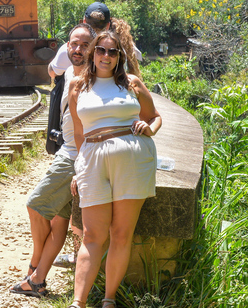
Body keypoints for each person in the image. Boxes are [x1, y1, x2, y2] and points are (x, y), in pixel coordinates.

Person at [66, 31, 162, 308]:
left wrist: (149, 129)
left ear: (120, 57)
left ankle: (108, 300)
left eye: (113, 52)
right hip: (93, 160)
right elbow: (79, 134)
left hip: (133, 158)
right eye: (101, 50)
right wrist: (78, 169)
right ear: (92, 53)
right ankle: (78, 302)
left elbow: (154, 117)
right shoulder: (77, 86)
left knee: (121, 233)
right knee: (93, 234)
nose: (106, 56)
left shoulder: (131, 83)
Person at [10, 24, 95, 298]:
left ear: (92, 48)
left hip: (74, 156)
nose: (78, 49)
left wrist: (82, 165)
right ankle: (37, 281)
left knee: (35, 205)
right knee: (59, 221)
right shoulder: (69, 70)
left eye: (84, 45)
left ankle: (35, 265)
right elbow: (51, 71)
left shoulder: (95, 79)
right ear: (66, 46)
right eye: (73, 44)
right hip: (68, 151)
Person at [49, 3, 142, 80]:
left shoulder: (70, 49)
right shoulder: (116, 52)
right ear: (107, 26)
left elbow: (52, 72)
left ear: (84, 22)